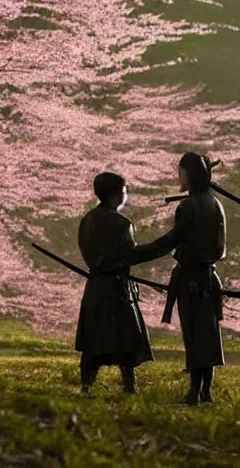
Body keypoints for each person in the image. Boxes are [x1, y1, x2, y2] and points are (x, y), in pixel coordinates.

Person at [134, 153, 226, 405]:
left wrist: (137, 254)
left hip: (191, 279)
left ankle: (195, 393)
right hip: (210, 277)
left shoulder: (188, 207)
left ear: (189, 174)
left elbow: (171, 241)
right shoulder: (215, 204)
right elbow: (220, 248)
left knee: (195, 336)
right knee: (209, 335)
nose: (179, 177)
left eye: (181, 172)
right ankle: (206, 390)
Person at [76, 172, 160, 394]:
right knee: (126, 338)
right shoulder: (121, 223)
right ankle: (129, 385)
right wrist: (163, 245)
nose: (126, 195)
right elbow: (131, 255)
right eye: (124, 190)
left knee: (92, 340)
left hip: (94, 286)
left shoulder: (87, 220)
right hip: (117, 288)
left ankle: (87, 385)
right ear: (115, 194)